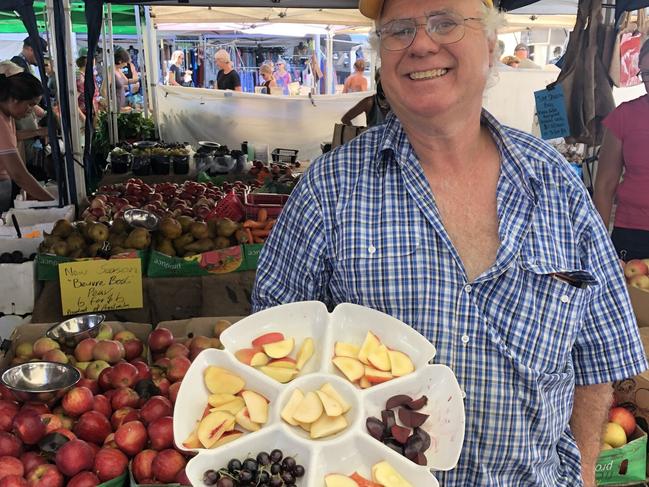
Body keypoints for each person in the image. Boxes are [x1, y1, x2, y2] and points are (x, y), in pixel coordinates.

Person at [252, 0, 648, 486]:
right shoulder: (328, 190)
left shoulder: (556, 185)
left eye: (445, 22)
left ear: (489, 44)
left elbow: (599, 353)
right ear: (381, 57)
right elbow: (267, 356)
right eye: (398, 30)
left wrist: (585, 473)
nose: (420, 44)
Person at [594, 39, 649, 261]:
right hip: (632, 234)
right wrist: (599, 243)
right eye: (646, 74)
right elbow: (605, 185)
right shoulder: (624, 115)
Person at [0, 63, 54, 211]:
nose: (31, 111)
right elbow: (19, 175)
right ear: (14, 99)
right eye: (30, 105)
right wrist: (54, 203)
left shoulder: (7, 116)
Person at [75, 55, 100, 126]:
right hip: (84, 114)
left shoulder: (87, 76)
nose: (94, 67)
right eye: (94, 65)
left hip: (91, 112)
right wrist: (83, 118)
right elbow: (73, 100)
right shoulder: (80, 79)